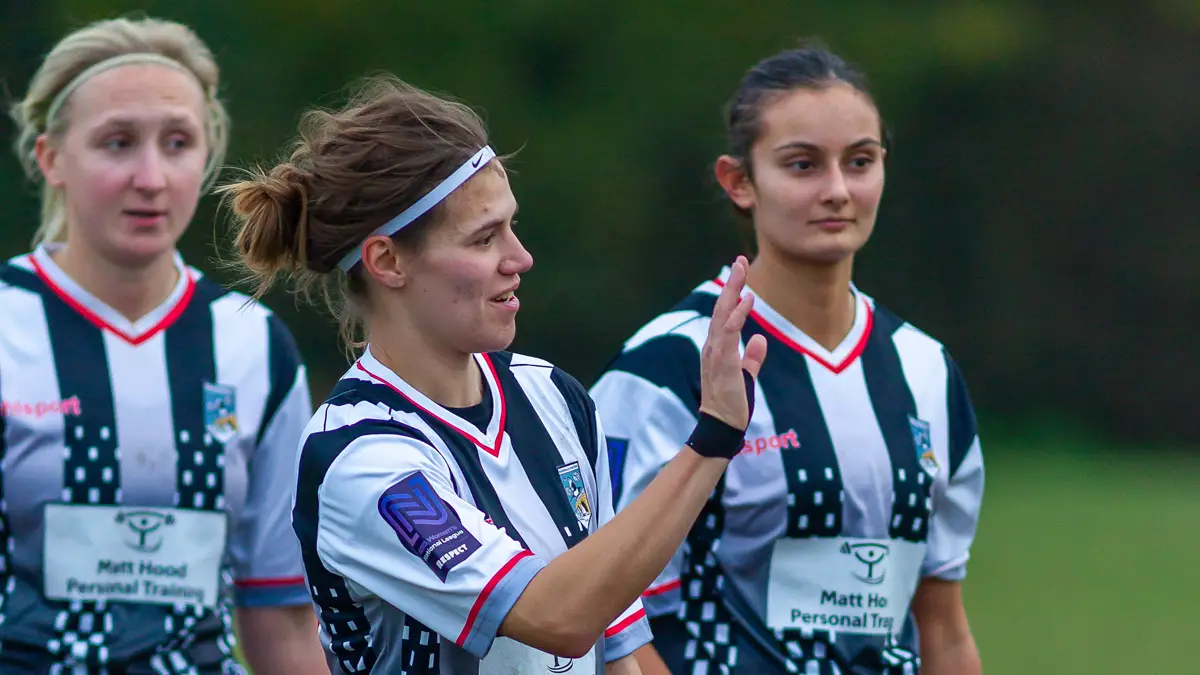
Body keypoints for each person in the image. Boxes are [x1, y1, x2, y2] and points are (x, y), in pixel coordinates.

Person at [220, 73, 769, 675]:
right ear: (387, 261)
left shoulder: (553, 395)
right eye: (484, 238)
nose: (520, 258)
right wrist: (711, 439)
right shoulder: (362, 457)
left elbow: (618, 650)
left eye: (511, 226)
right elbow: (559, 617)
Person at [590, 44, 985, 675]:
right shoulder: (661, 369)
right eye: (802, 165)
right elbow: (609, 624)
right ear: (738, 181)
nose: (836, 190)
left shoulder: (927, 370)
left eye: (860, 161)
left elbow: (942, 625)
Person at [1, 16, 328, 673]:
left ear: (206, 156)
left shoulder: (254, 345)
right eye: (117, 143)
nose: (150, 177)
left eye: (177, 143)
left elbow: (280, 619)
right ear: (50, 158)